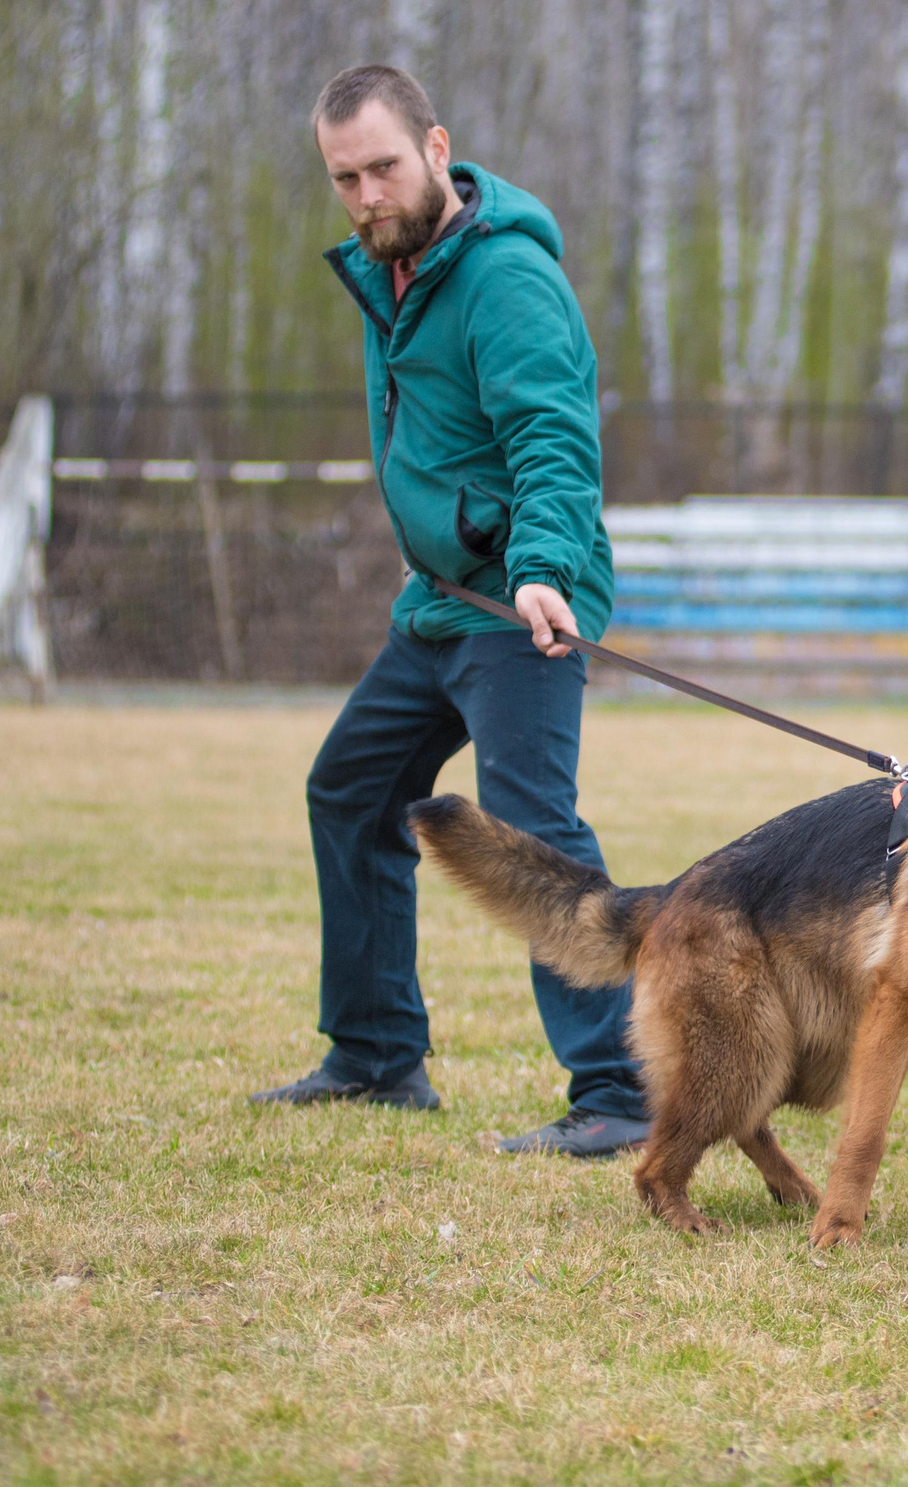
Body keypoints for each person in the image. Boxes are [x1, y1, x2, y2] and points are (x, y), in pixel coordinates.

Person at [248, 64, 651, 1158]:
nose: (367, 194)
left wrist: (547, 569)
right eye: (345, 178)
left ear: (436, 148)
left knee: (528, 831)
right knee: (353, 788)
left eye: (382, 165)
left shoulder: (506, 277)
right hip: (438, 603)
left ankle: (621, 1090)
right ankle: (377, 1056)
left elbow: (554, 438)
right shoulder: (396, 271)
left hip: (517, 601)